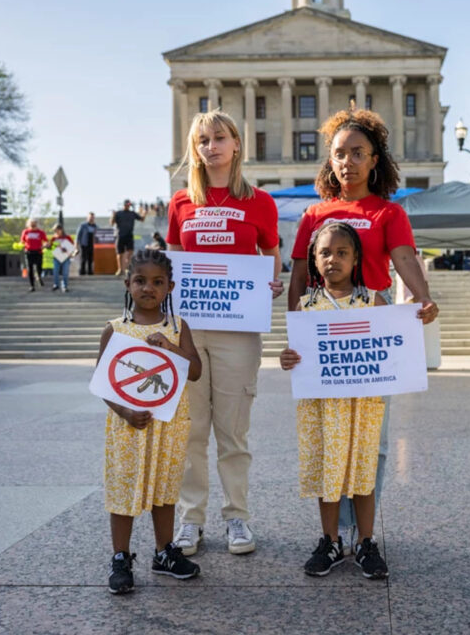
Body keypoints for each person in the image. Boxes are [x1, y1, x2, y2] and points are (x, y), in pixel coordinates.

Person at [288, 108, 439, 554]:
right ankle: (333, 534)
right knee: (326, 436)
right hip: (323, 337)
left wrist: (422, 297)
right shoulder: (314, 214)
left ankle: (363, 531)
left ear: (375, 160)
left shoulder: (388, 212)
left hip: (371, 334)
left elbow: (406, 259)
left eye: (358, 153)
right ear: (329, 160)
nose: (348, 161)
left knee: (371, 437)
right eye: (339, 153)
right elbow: (299, 276)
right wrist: (294, 331)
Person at [166, 109, 283, 557]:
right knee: (191, 432)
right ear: (194, 149)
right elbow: (173, 263)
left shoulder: (260, 201)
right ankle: (190, 520)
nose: (210, 146)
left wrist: (268, 286)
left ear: (236, 143)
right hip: (190, 333)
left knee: (233, 432)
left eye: (219, 137)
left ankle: (237, 517)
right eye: (202, 140)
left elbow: (270, 251)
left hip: (239, 331)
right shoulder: (182, 202)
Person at [280, 221, 389, 579]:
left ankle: (366, 542)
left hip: (361, 406)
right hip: (322, 408)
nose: (333, 259)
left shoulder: (372, 300)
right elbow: (296, 353)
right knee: (327, 471)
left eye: (342, 252)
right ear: (313, 258)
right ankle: (330, 540)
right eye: (325, 252)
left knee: (363, 473)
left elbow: (390, 347)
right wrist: (287, 359)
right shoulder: (304, 305)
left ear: (356, 258)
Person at [98, 248, 202, 595]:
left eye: (157, 282)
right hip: (129, 427)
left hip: (168, 426)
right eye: (140, 280)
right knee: (124, 489)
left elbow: (196, 371)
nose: (148, 288)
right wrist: (126, 412)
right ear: (128, 284)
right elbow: (103, 382)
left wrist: (172, 348)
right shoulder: (115, 329)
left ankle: (164, 552)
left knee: (165, 490)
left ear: (169, 287)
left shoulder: (177, 326)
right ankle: (120, 557)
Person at [111, 199, 145, 276]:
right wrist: (113, 215)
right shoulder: (118, 213)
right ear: (124, 205)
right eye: (126, 204)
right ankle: (120, 269)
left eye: (129, 204)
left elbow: (142, 219)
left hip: (129, 235)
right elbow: (112, 223)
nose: (128, 206)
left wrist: (144, 213)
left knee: (130, 252)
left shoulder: (132, 213)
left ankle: (127, 268)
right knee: (120, 253)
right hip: (120, 235)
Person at [20, 218, 48, 292]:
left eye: (34, 223)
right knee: (30, 269)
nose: (33, 225)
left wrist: (44, 245)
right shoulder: (25, 232)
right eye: (31, 223)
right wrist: (20, 245)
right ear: (28, 224)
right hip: (29, 252)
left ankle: (39, 277)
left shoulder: (41, 232)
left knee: (39, 268)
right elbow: (22, 241)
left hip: (38, 252)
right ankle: (32, 285)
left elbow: (46, 241)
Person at [48, 224, 74, 292]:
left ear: (61, 230)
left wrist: (68, 251)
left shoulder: (67, 237)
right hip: (56, 257)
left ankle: (65, 286)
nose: (56, 232)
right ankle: (56, 284)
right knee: (55, 271)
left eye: (57, 231)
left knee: (65, 272)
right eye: (55, 231)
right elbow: (50, 247)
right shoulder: (53, 238)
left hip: (66, 257)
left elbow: (72, 246)